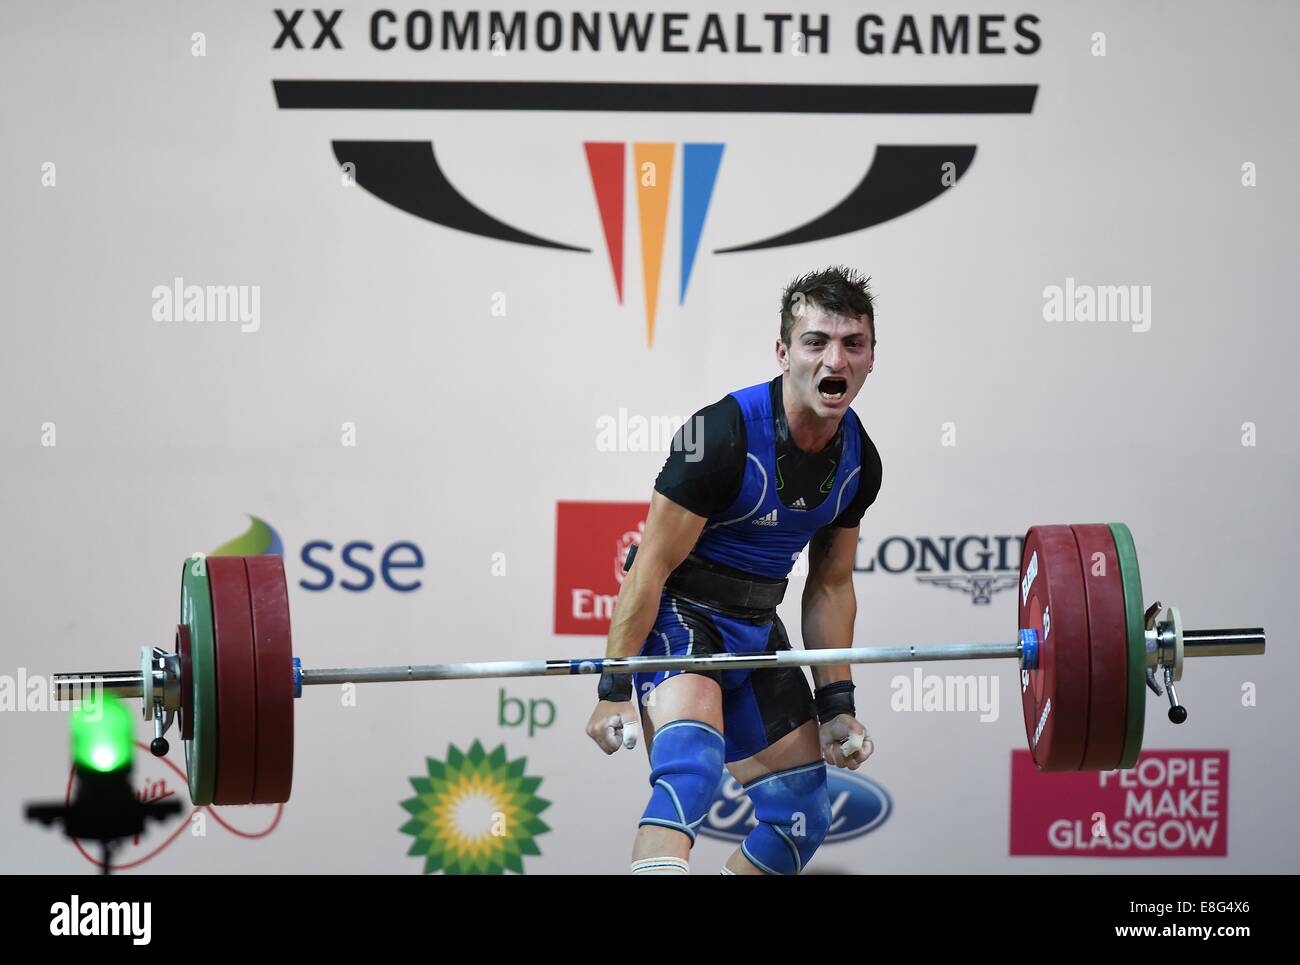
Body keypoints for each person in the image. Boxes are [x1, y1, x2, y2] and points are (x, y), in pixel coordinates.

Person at [585, 266, 884, 875]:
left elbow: (829, 586)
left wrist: (836, 705)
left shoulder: (861, 462)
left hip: (755, 626)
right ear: (783, 352)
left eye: (853, 343)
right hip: (681, 613)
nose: (836, 359)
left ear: (872, 356)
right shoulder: (719, 434)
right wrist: (614, 686)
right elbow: (650, 568)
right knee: (690, 771)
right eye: (816, 341)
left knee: (801, 816)